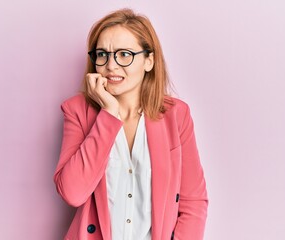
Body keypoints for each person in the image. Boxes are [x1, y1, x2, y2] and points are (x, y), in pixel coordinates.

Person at [54, 8, 208, 240]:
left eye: (124, 54)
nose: (111, 66)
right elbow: (73, 193)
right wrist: (109, 115)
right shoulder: (77, 111)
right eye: (102, 54)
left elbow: (193, 201)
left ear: (149, 61)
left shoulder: (176, 115)